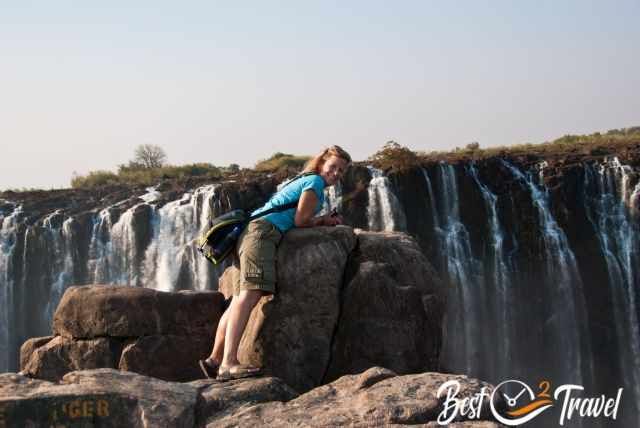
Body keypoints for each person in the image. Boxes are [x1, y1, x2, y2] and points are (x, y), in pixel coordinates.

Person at [199, 145, 352, 381]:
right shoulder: (315, 183)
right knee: (249, 295)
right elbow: (301, 220)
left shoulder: (302, 179)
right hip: (262, 233)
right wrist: (323, 221)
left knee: (238, 301)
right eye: (333, 167)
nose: (336, 174)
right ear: (321, 163)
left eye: (341, 171)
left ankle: (214, 360)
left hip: (249, 232)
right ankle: (228, 363)